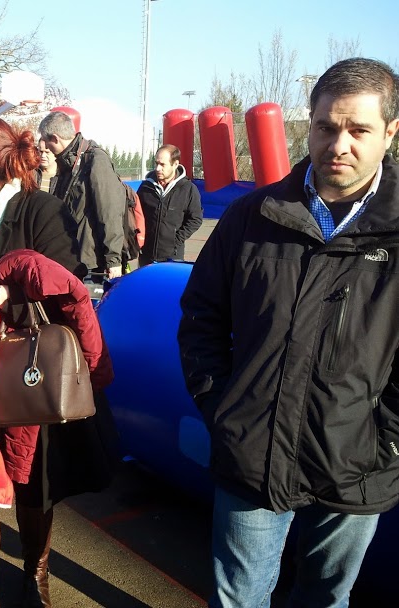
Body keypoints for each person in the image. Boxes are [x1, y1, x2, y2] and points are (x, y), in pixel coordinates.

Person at [177, 57, 399, 608]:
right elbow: (201, 318)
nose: (338, 145)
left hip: (358, 463)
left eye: (359, 130)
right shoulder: (251, 217)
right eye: (326, 127)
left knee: (326, 597)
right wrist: (223, 408)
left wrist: (388, 439)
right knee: (239, 597)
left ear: (390, 132)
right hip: (252, 453)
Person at [0, 115, 116, 608]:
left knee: (35, 481)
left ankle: (35, 577)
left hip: (30, 369)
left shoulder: (40, 209)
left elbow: (67, 284)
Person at [37, 111, 126, 281]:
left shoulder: (95, 160)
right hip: (69, 257)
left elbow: (109, 211)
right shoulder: (66, 163)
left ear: (55, 138)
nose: (46, 148)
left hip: (91, 264)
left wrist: (113, 260)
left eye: (46, 142)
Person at [136, 144, 202, 266]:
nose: (158, 168)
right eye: (156, 163)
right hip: (146, 256)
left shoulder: (188, 189)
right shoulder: (146, 187)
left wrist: (175, 241)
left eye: (162, 164)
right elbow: (136, 216)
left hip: (172, 258)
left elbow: (195, 219)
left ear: (175, 164)